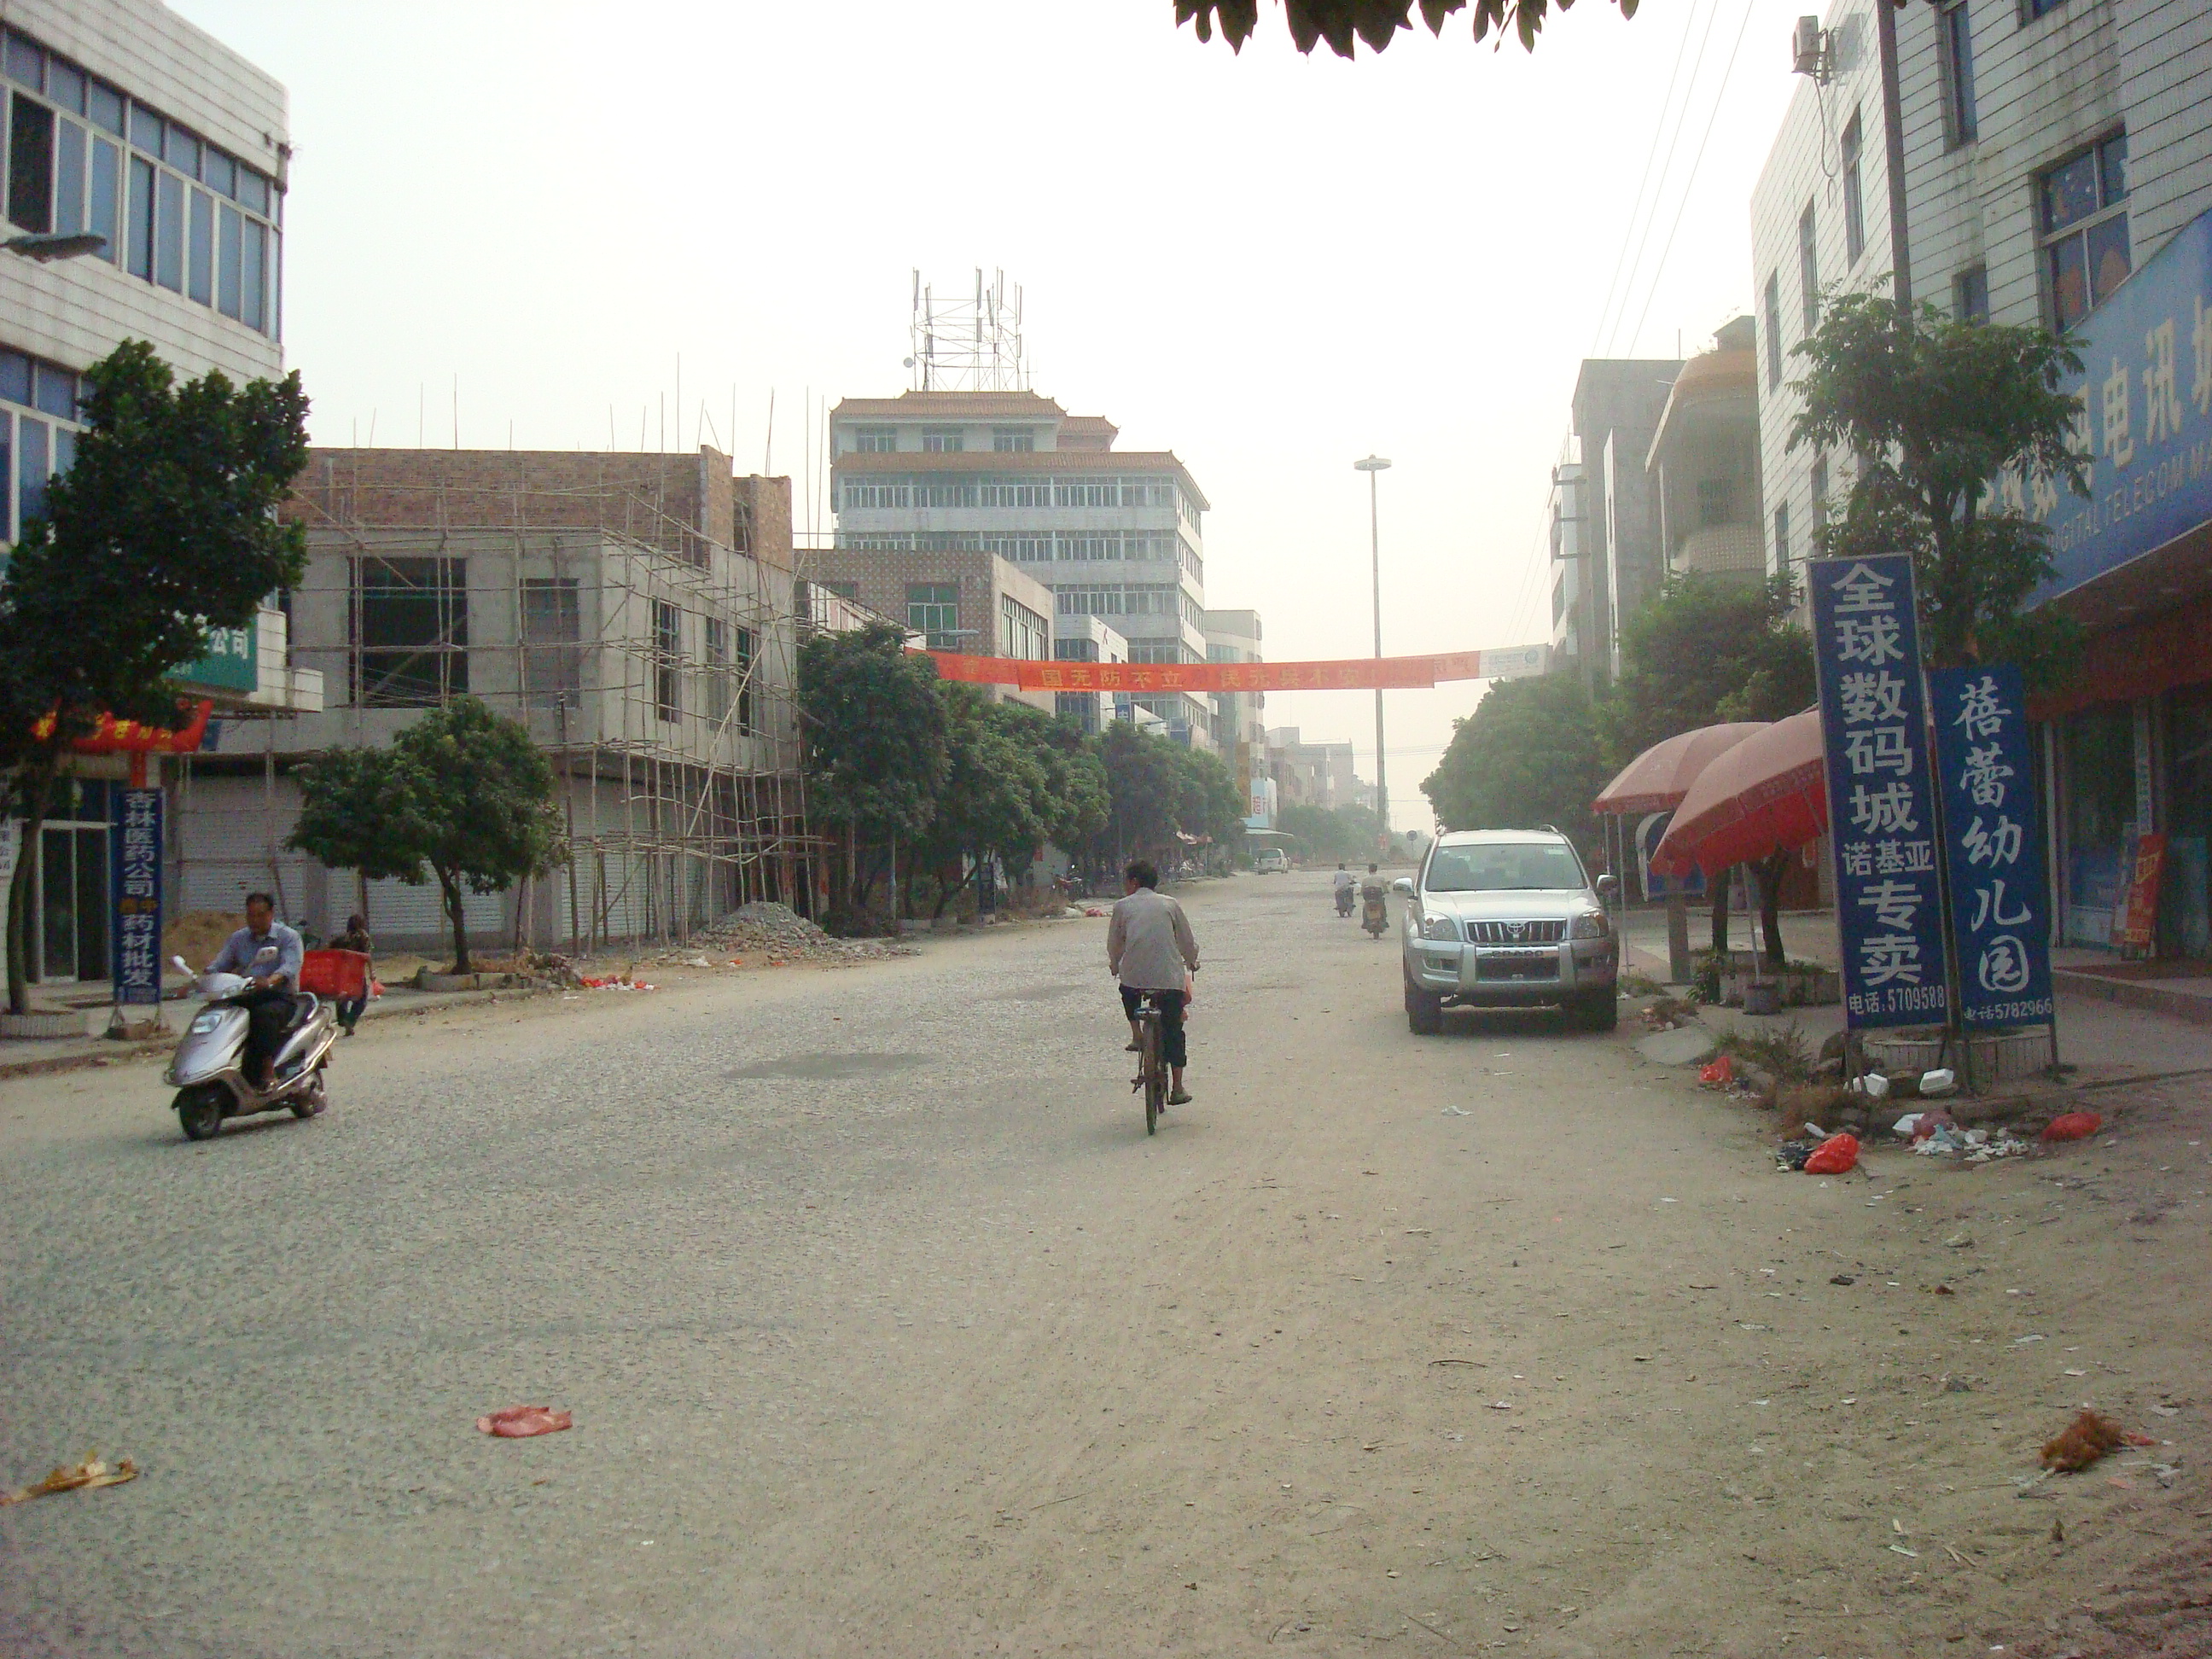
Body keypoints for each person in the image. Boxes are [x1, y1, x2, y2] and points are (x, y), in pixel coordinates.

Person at [1106, 858, 1201, 1108]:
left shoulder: (1122, 906)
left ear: (1134, 882)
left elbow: (1115, 943)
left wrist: (1115, 964)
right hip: (1169, 978)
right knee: (1174, 1029)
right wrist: (1192, 961)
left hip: (1133, 977)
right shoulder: (1170, 904)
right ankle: (1177, 1088)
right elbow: (1186, 941)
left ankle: (1137, 1035)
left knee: (1127, 990)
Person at [207, 893, 304, 1088]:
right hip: (245, 995)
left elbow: (289, 968)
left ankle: (268, 1067)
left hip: (279, 997)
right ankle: (211, 1064)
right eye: (251, 915)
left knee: (263, 1015)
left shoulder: (288, 937)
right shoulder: (238, 938)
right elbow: (220, 965)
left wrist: (269, 981)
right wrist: (201, 980)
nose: (255, 920)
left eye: (260, 915)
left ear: (271, 914)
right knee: (215, 1013)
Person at [328, 912, 374, 1036]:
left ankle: (343, 1018)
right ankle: (350, 1020)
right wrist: (372, 973)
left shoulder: (342, 939)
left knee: (343, 997)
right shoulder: (363, 936)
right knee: (361, 999)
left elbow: (329, 950)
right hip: (356, 972)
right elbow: (367, 956)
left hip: (341, 972)